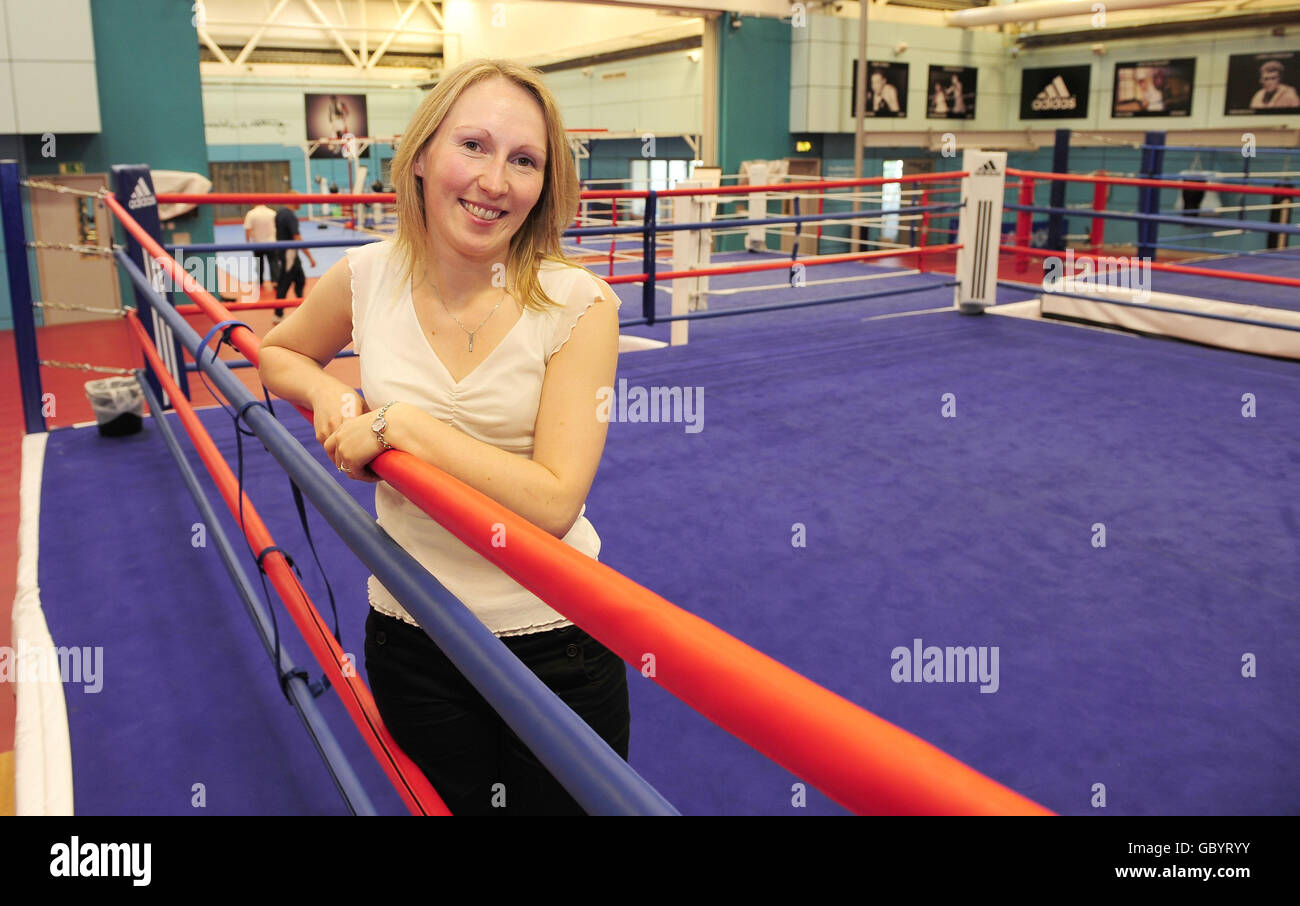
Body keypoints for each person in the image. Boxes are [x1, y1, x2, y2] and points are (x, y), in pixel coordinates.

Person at [257, 58, 627, 815]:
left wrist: (404, 428)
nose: (496, 180)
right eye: (474, 146)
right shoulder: (368, 276)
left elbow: (554, 502)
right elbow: (277, 353)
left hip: (555, 640)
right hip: (413, 634)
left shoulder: (579, 304)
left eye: (524, 160)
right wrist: (328, 390)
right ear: (421, 155)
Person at [272, 193, 317, 324]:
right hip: (289, 253)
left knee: (300, 279)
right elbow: (297, 237)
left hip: (285, 251)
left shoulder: (280, 212)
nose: (301, 203)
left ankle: (302, 310)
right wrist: (310, 257)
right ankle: (278, 314)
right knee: (284, 282)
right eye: (300, 200)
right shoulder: (290, 216)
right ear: (294, 201)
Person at [242, 203, 277, 289]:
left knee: (259, 263)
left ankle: (260, 281)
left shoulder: (251, 214)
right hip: (272, 242)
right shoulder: (272, 213)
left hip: (257, 243)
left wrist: (248, 242)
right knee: (273, 262)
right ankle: (275, 281)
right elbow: (277, 227)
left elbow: (247, 229)